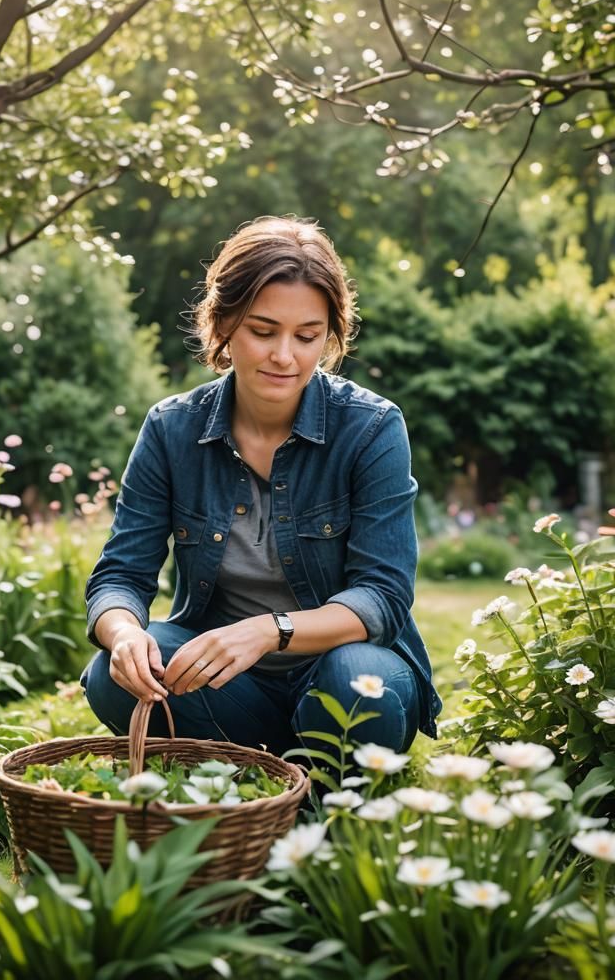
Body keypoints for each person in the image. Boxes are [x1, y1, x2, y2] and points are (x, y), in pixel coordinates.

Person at [81, 216, 442, 760]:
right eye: (262, 330)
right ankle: (275, 765)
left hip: (344, 668)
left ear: (330, 334)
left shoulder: (371, 427)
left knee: (359, 682)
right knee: (110, 677)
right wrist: (125, 634)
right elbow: (122, 573)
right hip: (226, 681)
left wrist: (269, 631)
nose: (285, 357)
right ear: (224, 322)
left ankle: (294, 775)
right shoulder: (171, 429)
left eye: (307, 336)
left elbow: (382, 596)